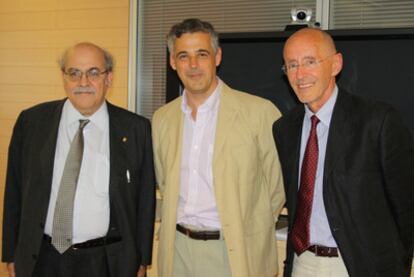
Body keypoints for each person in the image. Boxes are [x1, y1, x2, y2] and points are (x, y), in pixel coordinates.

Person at [2, 42, 155, 277]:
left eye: (93, 73)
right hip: (42, 257)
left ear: (109, 78)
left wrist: (142, 261)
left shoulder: (135, 129)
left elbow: (144, 201)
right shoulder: (31, 122)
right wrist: (10, 253)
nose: (83, 83)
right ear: (64, 77)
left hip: (105, 261)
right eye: (74, 73)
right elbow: (14, 191)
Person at [273, 27, 414, 277]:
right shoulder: (285, 129)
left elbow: (405, 208)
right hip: (302, 263)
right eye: (291, 65)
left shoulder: (377, 122)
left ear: (336, 64)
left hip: (357, 266)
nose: (300, 74)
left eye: (310, 62)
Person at [152, 18, 285, 277]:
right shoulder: (162, 119)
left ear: (217, 56)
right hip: (177, 251)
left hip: (234, 252)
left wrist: (247, 227)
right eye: (183, 56)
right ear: (172, 62)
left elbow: (277, 187)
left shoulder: (259, 113)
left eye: (202, 54)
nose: (192, 65)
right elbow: (165, 185)